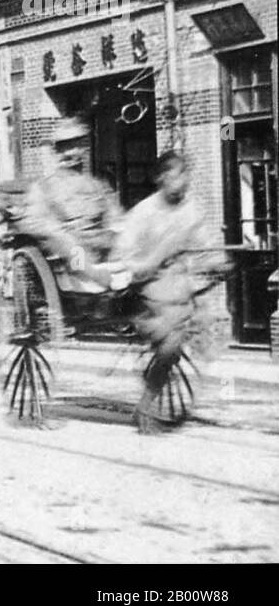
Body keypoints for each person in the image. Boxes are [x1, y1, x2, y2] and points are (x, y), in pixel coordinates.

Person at [113, 150, 228, 432]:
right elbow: (123, 257)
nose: (184, 181)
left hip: (178, 287)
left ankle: (156, 383)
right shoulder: (143, 213)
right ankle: (147, 403)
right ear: (161, 178)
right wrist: (151, 262)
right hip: (144, 293)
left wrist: (218, 261)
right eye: (177, 175)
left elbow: (204, 244)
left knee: (186, 331)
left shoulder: (191, 210)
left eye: (186, 174)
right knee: (171, 342)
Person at [17, 116, 124, 287]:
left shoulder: (97, 185)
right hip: (69, 257)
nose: (70, 152)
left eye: (75, 145)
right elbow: (35, 222)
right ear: (56, 151)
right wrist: (55, 230)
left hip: (101, 246)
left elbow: (114, 216)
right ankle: (94, 276)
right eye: (63, 147)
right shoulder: (44, 187)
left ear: (83, 148)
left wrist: (117, 232)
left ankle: (120, 277)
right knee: (67, 241)